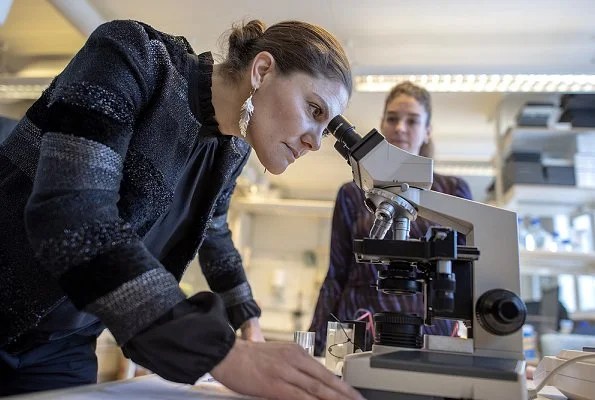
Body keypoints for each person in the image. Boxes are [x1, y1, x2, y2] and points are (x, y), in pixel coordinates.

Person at [0, 18, 364, 400]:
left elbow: (215, 232)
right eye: (314, 110)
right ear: (262, 70)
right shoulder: (137, 56)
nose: (316, 143)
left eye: (325, 128)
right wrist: (222, 353)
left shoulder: (231, 150)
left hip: (64, 345)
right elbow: (71, 211)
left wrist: (247, 318)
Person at [309, 81, 473, 355]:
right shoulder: (352, 194)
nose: (400, 127)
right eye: (393, 118)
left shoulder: (453, 191)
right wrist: (317, 344)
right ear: (382, 125)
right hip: (360, 325)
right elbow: (336, 274)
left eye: (412, 120)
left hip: (428, 330)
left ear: (428, 131)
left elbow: (465, 274)